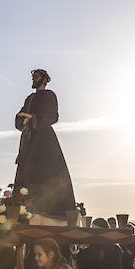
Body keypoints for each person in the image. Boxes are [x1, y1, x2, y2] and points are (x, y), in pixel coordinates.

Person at [12, 69, 77, 221]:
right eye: (33, 77)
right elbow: (18, 117)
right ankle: (24, 208)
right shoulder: (29, 98)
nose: (33, 79)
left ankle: (50, 209)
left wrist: (32, 117)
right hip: (28, 140)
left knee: (46, 170)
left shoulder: (49, 95)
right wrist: (25, 119)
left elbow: (53, 116)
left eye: (36, 77)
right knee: (25, 171)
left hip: (44, 139)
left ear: (44, 79)